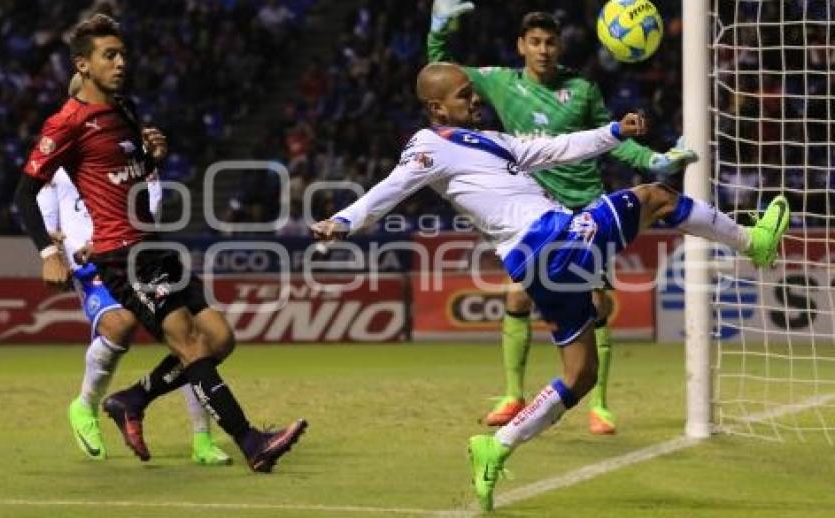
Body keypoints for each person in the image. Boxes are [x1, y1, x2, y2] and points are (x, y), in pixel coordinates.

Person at [311, 62, 789, 510]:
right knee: (658, 196)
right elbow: (392, 186)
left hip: (542, 267)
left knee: (579, 375)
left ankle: (496, 448)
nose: (474, 99)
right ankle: (754, 242)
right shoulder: (428, 145)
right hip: (551, 243)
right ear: (437, 108)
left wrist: (612, 133)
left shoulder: (489, 141)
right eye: (463, 95)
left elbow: (553, 149)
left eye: (473, 92)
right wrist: (344, 220)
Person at [14, 13, 306, 473]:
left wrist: (152, 155)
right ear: (83, 65)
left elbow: (127, 170)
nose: (121, 62)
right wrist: (49, 252)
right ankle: (251, 440)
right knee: (190, 343)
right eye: (109, 55)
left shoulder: (124, 109)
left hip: (154, 245)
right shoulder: (66, 123)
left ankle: (132, 399)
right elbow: (23, 193)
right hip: (122, 255)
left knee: (220, 340)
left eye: (123, 53)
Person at [426, 0, 698, 433]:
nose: (544, 50)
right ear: (521, 46)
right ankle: (514, 394)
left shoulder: (584, 90)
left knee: (597, 304)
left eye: (551, 42)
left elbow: (613, 140)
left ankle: (601, 405)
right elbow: (442, 78)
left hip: (585, 202)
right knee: (516, 296)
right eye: (535, 42)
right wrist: (438, 29)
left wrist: (653, 158)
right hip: (536, 209)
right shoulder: (498, 83)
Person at [39, 73, 230, 465]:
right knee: (120, 325)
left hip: (133, 251)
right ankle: (86, 405)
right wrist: (56, 247)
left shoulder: (125, 147)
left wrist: (123, 236)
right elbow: (46, 211)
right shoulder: (60, 153)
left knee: (190, 339)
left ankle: (201, 440)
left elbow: (151, 199)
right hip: (91, 264)